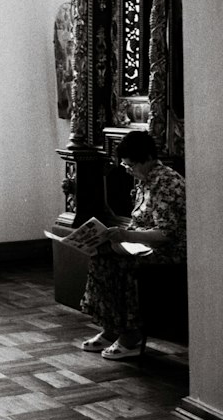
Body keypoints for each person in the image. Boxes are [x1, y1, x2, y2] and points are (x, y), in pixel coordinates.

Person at [80, 129, 186, 359]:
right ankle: (111, 328)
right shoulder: (144, 180)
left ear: (147, 158)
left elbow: (167, 233)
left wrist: (127, 237)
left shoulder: (167, 183)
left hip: (169, 250)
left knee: (124, 265)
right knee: (101, 256)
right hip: (143, 245)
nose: (128, 170)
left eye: (131, 165)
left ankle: (131, 335)